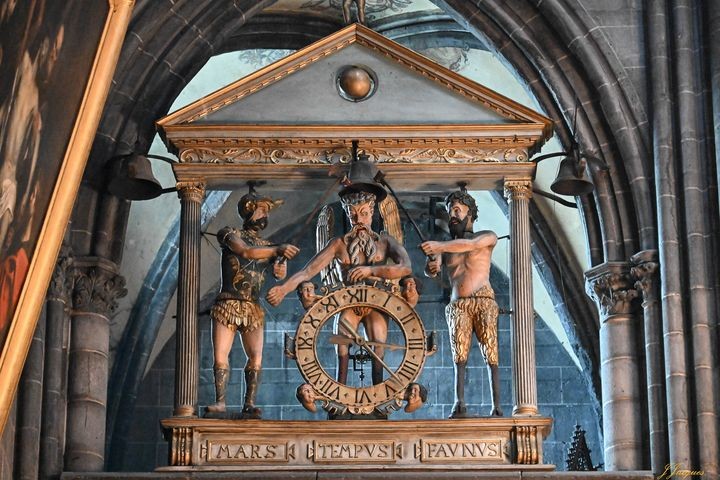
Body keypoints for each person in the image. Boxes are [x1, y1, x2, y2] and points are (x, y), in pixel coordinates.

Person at [267, 171, 411, 386]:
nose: (358, 220)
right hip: (348, 303)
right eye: (353, 215)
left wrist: (370, 271)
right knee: (342, 348)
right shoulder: (338, 244)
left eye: (363, 213)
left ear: (372, 213)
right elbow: (308, 271)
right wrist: (284, 289)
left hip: (377, 303)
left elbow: (405, 267)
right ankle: (338, 397)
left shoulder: (385, 241)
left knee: (378, 348)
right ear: (346, 214)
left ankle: (379, 401)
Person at [207, 189, 299, 418]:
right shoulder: (229, 233)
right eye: (262, 209)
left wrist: (280, 262)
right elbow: (246, 252)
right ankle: (220, 401)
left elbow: (278, 274)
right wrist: (276, 249)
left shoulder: (267, 245)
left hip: (253, 307)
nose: (265, 215)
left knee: (256, 356)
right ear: (249, 209)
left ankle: (249, 402)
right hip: (228, 303)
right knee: (221, 354)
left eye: (267, 211)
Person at [420, 188, 502, 417]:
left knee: (491, 353)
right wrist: (432, 266)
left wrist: (439, 247)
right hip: (458, 305)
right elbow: (432, 269)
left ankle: (496, 405)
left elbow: (472, 245)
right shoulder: (445, 247)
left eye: (457, 210)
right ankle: (459, 402)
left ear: (471, 214)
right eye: (450, 211)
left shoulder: (487, 237)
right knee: (459, 355)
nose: (452, 215)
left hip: (483, 299)